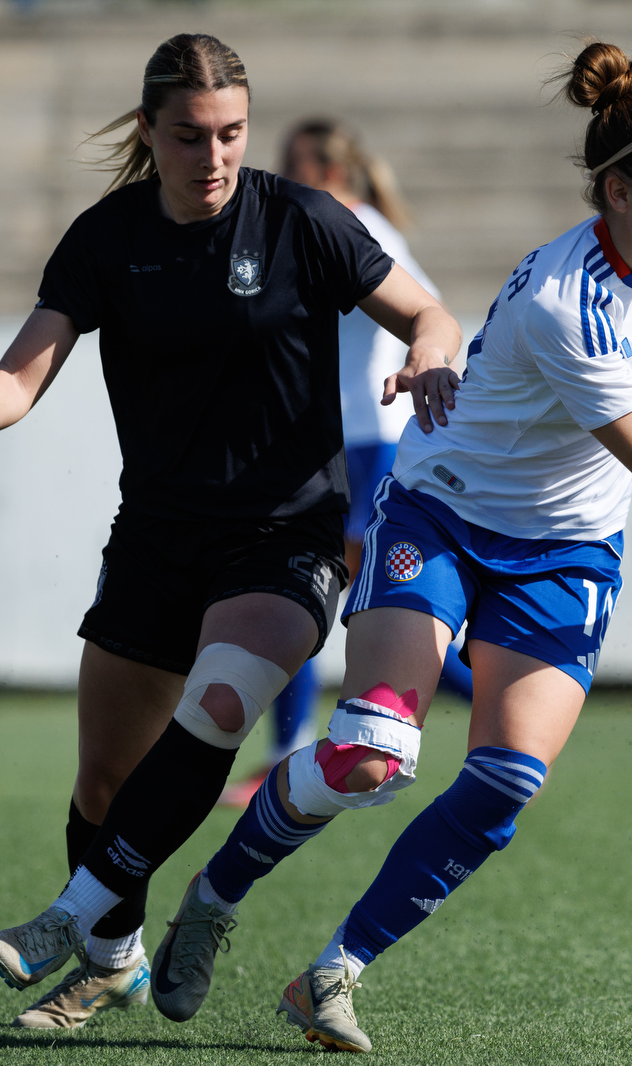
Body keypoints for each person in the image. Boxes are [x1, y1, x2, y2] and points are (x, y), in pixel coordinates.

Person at [36, 40, 632, 1047]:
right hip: (443, 513)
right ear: (615, 193)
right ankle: (217, 894)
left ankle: (333, 969)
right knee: (373, 753)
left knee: (503, 786)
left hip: (567, 551)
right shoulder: (561, 307)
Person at [0, 33, 460, 1029]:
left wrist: (430, 349)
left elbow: (426, 309)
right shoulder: (105, 236)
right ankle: (113, 956)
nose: (212, 158)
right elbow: (26, 365)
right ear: (148, 132)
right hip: (158, 536)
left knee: (217, 705)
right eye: (189, 136)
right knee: (102, 782)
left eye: (231, 135)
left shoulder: (302, 218)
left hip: (286, 537)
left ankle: (71, 919)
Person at [220, 118, 473, 809]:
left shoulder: (354, 226)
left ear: (328, 172)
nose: (279, 176)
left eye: (292, 165)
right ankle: (498, 707)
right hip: (333, 442)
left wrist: (423, 356)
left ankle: (498, 703)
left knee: (312, 591)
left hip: (366, 444)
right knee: (342, 597)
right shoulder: (313, 227)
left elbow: (430, 312)